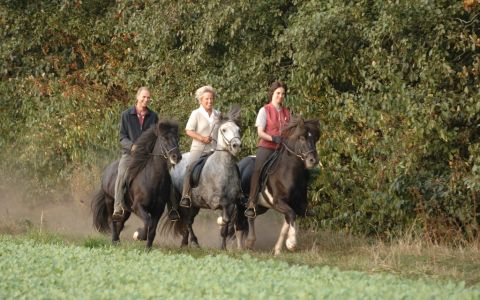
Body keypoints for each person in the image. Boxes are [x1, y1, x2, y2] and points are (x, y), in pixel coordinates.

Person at [112, 86, 180, 222]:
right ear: (137, 97)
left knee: (167, 177)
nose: (146, 99)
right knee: (121, 173)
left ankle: (173, 208)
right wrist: (132, 146)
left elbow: (158, 136)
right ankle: (118, 206)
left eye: (148, 97)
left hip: (148, 155)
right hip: (130, 154)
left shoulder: (153, 116)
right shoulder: (126, 115)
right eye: (143, 97)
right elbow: (122, 137)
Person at [244, 81, 291, 218]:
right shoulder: (264, 110)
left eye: (283, 94)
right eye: (278, 93)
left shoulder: (287, 112)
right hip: (267, 147)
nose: (280, 96)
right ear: (272, 94)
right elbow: (260, 132)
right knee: (258, 170)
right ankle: (252, 203)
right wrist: (273, 138)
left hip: (283, 149)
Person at [179, 85, 220, 208]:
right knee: (190, 168)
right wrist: (202, 138)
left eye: (211, 98)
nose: (209, 101)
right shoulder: (196, 113)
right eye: (207, 99)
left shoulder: (218, 114)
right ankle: (185, 195)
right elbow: (188, 130)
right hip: (199, 149)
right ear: (201, 100)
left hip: (215, 149)